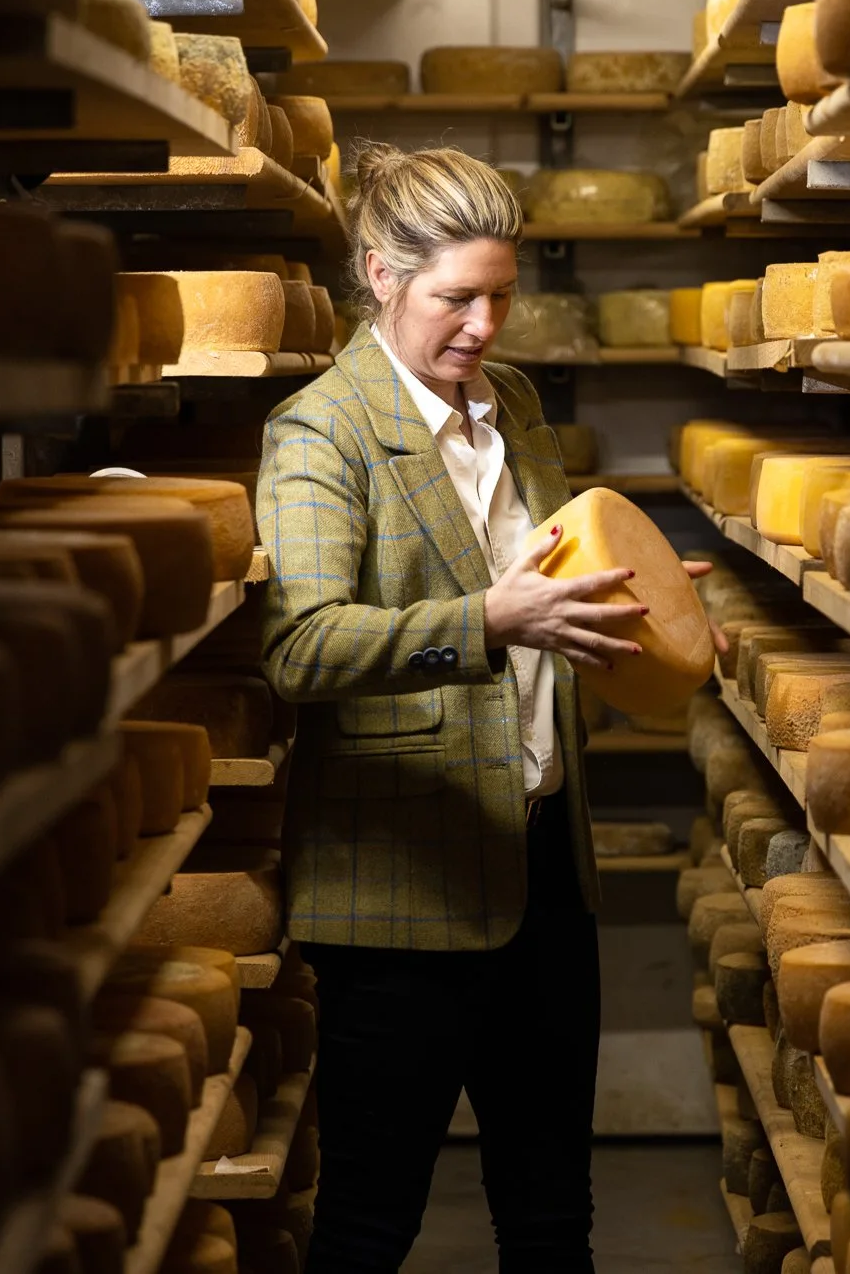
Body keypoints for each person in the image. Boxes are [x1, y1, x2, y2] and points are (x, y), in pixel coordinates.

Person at [255, 142, 712, 1273]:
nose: (483, 324)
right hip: (402, 892)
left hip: (544, 866)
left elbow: (557, 574)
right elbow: (301, 646)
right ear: (379, 274)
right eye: (455, 296)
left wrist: (635, 594)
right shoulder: (321, 433)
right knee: (370, 1222)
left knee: (552, 1211)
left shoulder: (507, 402)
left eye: (500, 295)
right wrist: (492, 622)